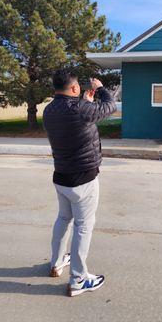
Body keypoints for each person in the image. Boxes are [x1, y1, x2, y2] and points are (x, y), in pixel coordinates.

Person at [43, 69, 116, 297]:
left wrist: (86, 101)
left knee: (63, 218)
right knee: (83, 226)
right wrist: (101, 87)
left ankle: (56, 263)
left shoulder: (49, 110)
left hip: (61, 176)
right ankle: (78, 280)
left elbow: (77, 118)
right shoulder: (80, 109)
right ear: (74, 88)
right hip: (83, 178)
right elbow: (110, 107)